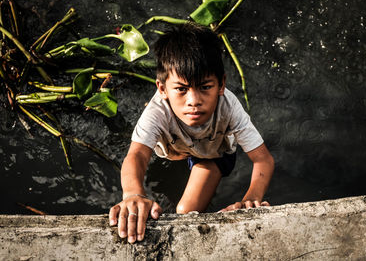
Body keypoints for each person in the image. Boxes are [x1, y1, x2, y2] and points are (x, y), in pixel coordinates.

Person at [109, 23, 274, 243]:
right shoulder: (157, 110)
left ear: (222, 84)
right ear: (162, 89)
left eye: (205, 87)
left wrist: (250, 200)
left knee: (186, 212)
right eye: (181, 89)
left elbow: (263, 159)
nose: (194, 101)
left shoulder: (229, 107)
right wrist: (133, 195)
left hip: (213, 152)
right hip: (176, 148)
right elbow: (137, 155)